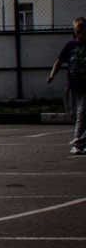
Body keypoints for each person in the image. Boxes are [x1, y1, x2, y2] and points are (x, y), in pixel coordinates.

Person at [47, 16, 86, 155]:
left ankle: (77, 144)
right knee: (74, 114)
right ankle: (82, 139)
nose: (81, 35)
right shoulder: (70, 46)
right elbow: (59, 61)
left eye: (84, 33)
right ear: (75, 32)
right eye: (78, 32)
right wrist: (52, 75)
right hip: (72, 87)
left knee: (82, 114)